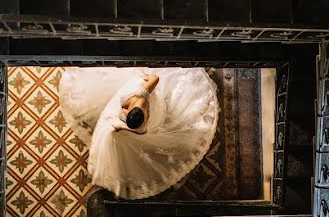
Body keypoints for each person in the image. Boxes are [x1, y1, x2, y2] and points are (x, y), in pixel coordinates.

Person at [58, 66, 219, 201]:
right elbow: (143, 129)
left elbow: (154, 79)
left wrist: (120, 122)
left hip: (149, 101)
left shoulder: (139, 98)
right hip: (152, 108)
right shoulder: (138, 110)